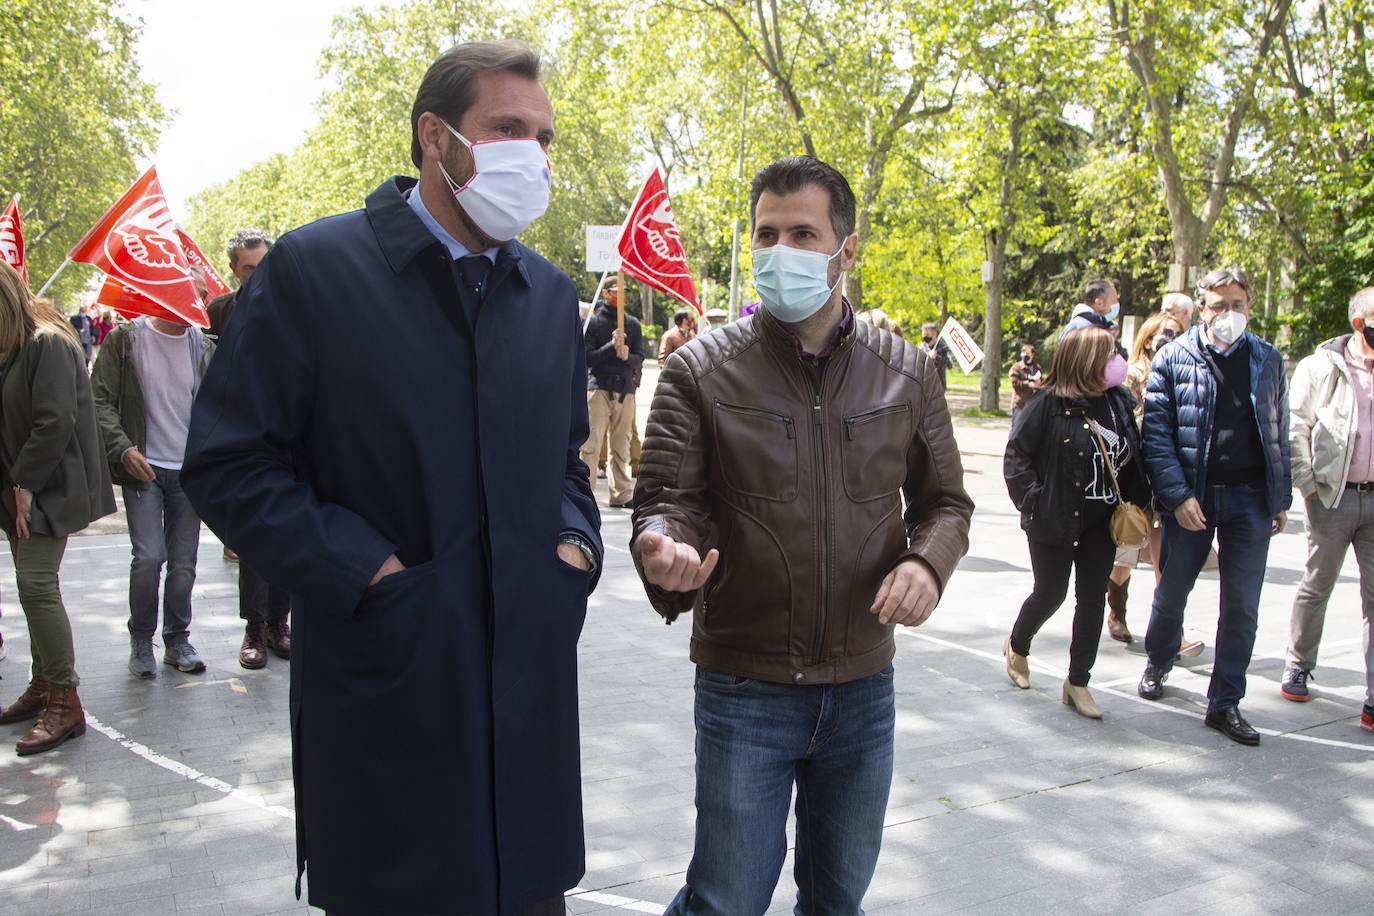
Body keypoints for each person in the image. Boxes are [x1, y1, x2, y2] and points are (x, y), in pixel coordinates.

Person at [180, 41, 601, 915]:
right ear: (434, 138)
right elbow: (228, 462)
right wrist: (362, 570)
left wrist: (573, 550)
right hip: (387, 699)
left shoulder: (550, 298)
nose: (534, 156)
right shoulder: (314, 272)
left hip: (526, 711)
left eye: (544, 136)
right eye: (507, 129)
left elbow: (567, 461)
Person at [631, 155, 974, 914]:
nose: (778, 251)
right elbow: (666, 500)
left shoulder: (910, 373)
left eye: (802, 233)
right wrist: (663, 547)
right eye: (765, 234)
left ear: (846, 251)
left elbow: (948, 504)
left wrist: (928, 564)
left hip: (863, 690)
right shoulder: (699, 372)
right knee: (725, 900)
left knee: (837, 899)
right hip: (744, 687)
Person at [1137, 267, 1291, 746]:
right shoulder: (1174, 358)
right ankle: (1159, 659)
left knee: (1243, 606)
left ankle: (1224, 701)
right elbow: (1157, 438)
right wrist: (1177, 497)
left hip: (1249, 501)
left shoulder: (1267, 359)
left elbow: (1278, 430)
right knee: (1173, 591)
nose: (1230, 314)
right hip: (1193, 499)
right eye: (1220, 305)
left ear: (1249, 305)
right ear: (1201, 308)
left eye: (1238, 304)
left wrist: (1279, 496)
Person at [1003, 327, 1149, 718]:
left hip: (1102, 524)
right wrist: (1035, 502)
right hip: (1052, 521)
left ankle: (1078, 682)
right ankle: (1017, 644)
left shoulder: (1118, 400)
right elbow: (1017, 459)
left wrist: (1141, 500)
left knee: (1091, 603)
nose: (1117, 361)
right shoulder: (1045, 404)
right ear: (1085, 361)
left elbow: (1131, 455)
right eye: (1108, 354)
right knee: (1050, 593)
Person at [0, 262, 115, 755]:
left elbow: (55, 421)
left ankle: (64, 700)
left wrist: (24, 482)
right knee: (32, 588)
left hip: (46, 487)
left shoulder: (46, 342)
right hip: (20, 488)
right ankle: (44, 682)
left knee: (35, 585)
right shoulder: (16, 347)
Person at [91, 303, 214, 678]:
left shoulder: (204, 347)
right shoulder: (126, 340)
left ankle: (177, 640)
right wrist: (123, 448)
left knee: (183, 564)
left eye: (200, 293)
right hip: (143, 468)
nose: (196, 300)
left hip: (188, 472)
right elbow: (98, 401)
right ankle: (142, 639)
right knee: (148, 556)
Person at [1283, 285, 1374, 732]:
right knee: (1317, 584)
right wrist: (1308, 487)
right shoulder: (1321, 367)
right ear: (1360, 324)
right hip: (1332, 498)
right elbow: (1294, 426)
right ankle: (1298, 664)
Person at [1105, 311, 1205, 649]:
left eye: (1176, 333)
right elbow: (1123, 421)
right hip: (1137, 475)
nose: (1168, 338)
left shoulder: (1187, 371)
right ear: (1147, 338)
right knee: (1126, 556)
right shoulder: (1132, 375)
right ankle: (1116, 610)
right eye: (1163, 333)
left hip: (1170, 477)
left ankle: (1170, 634)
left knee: (1166, 561)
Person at [581, 275, 643, 509]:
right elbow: (587, 357)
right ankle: (586, 491)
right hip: (599, 388)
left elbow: (640, 357)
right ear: (606, 294)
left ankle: (621, 493)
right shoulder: (594, 324)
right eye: (617, 291)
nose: (622, 296)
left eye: (624, 291)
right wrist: (610, 346)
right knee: (591, 444)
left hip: (625, 390)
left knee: (621, 445)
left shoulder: (633, 324)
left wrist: (628, 355)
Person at [205, 228, 274, 340]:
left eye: (263, 265)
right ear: (234, 269)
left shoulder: (294, 304)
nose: (257, 274)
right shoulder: (218, 311)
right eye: (249, 268)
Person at [1007, 342, 1042, 434]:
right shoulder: (1016, 367)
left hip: (1033, 404)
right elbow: (1014, 383)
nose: (1025, 355)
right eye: (1023, 353)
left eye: (1027, 353)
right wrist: (1028, 384)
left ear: (1033, 355)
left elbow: (1041, 382)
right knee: (1015, 427)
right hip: (1020, 403)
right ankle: (1011, 446)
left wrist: (1039, 384)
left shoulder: (1037, 368)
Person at [919, 322, 954, 389]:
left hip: (938, 385)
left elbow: (949, 365)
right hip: (924, 384)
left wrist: (937, 357)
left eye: (927, 334)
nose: (925, 337)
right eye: (923, 335)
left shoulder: (943, 347)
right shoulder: (921, 347)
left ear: (934, 334)